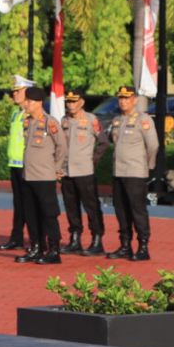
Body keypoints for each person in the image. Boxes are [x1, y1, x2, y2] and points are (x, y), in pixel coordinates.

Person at [100, 86, 158, 261]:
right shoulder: (117, 120)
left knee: (137, 210)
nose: (123, 101)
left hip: (135, 172)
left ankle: (143, 246)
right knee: (121, 210)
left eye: (127, 98)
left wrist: (147, 166)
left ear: (134, 100)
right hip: (119, 172)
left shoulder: (143, 119)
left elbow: (153, 146)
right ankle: (125, 245)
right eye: (121, 98)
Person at [16, 86, 65, 264]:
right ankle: (36, 247)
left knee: (48, 214)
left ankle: (54, 250)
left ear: (38, 103)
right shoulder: (28, 122)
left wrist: (57, 169)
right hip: (28, 176)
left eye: (29, 101)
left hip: (45, 176)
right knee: (30, 214)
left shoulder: (50, 123)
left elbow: (62, 147)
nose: (26, 104)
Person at [59, 89, 107, 255]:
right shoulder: (63, 121)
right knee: (71, 207)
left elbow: (103, 143)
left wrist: (92, 161)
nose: (71, 104)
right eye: (68, 101)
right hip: (67, 171)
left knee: (91, 207)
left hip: (85, 171)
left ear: (81, 102)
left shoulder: (91, 120)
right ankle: (75, 239)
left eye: (74, 101)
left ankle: (97, 240)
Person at [0, 75, 34, 251]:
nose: (14, 94)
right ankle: (16, 237)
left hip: (28, 165)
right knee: (18, 204)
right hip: (15, 164)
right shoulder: (16, 113)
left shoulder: (32, 115)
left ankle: (35, 240)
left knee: (30, 204)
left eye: (17, 91)